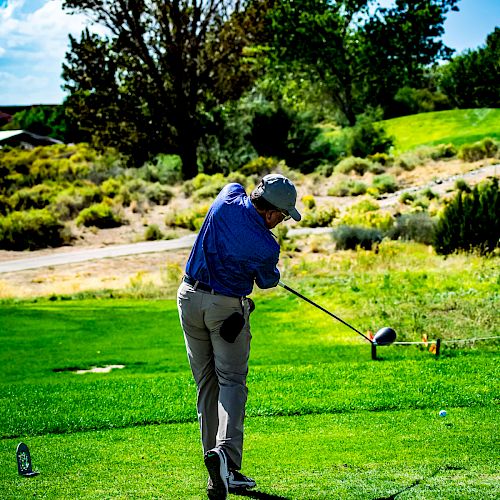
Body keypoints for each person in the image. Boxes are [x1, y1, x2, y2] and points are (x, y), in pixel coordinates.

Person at [177, 173, 301, 499]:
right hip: (226, 309)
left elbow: (236, 202)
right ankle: (226, 463)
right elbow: (268, 281)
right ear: (273, 213)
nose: (282, 221)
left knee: (206, 383)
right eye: (283, 215)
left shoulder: (228, 195)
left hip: (188, 298)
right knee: (231, 382)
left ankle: (214, 466)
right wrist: (269, 269)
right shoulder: (265, 245)